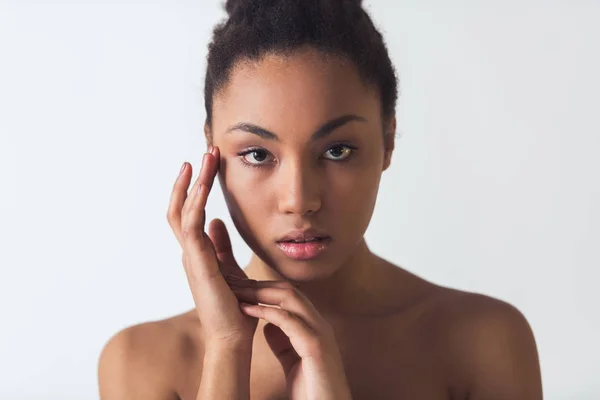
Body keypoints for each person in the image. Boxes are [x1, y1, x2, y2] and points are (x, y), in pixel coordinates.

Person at [98, 0, 543, 398]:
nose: (299, 200)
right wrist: (227, 351)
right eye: (257, 154)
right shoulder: (141, 362)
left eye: (336, 151)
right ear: (212, 150)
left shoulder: (484, 344)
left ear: (387, 141)